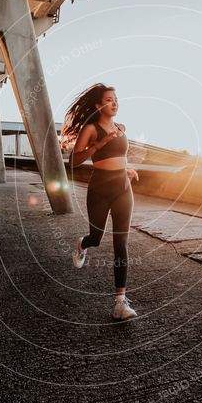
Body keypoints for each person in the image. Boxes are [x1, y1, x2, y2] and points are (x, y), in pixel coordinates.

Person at [61, 83, 140, 320]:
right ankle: (82, 244)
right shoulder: (92, 128)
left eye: (116, 98)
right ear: (98, 105)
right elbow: (74, 161)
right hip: (99, 190)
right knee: (96, 237)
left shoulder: (121, 128)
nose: (114, 102)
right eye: (108, 99)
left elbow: (119, 157)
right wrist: (100, 144)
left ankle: (119, 303)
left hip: (123, 189)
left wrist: (126, 170)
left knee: (121, 244)